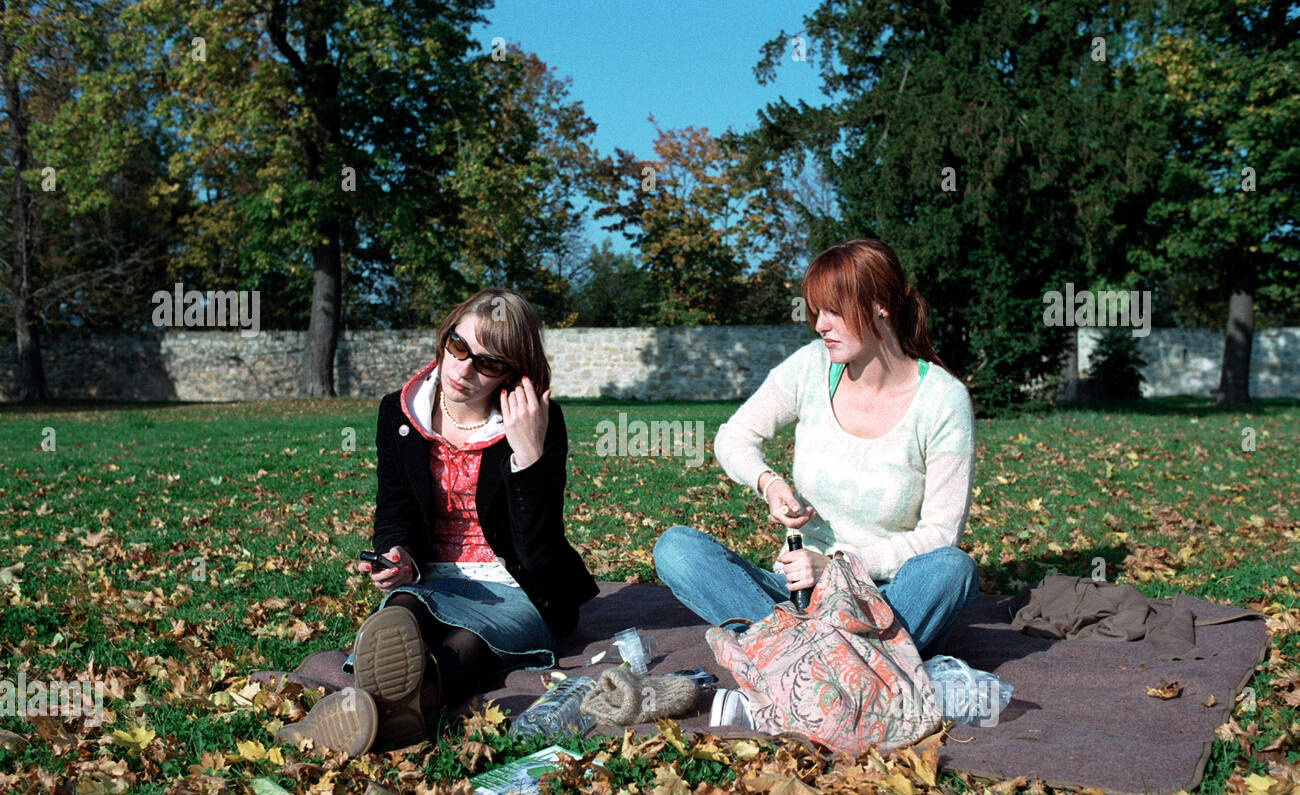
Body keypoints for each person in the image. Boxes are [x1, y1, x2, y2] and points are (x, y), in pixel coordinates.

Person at [654, 239, 978, 722]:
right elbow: (734, 437)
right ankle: (842, 671)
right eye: (816, 311)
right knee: (676, 549)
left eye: (834, 311)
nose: (820, 325)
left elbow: (939, 536)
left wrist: (838, 567)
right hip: (795, 600)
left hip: (882, 600)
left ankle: (789, 667)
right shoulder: (811, 367)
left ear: (880, 306)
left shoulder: (943, 401)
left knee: (952, 569)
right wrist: (768, 483)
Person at [277, 288, 598, 757]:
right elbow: (395, 508)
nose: (464, 369)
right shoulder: (399, 411)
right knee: (403, 610)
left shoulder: (537, 422)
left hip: (516, 585)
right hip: (433, 579)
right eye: (458, 347)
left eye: (488, 364)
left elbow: (538, 551)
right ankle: (396, 706)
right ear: (445, 336)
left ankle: (401, 706)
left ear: (514, 373)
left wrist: (529, 455)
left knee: (470, 641)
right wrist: (397, 553)